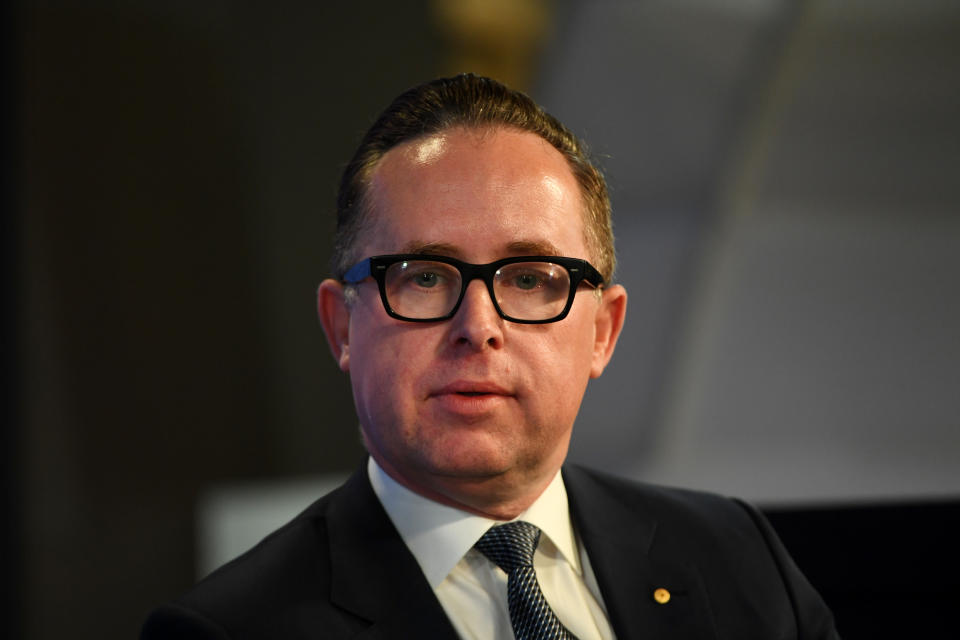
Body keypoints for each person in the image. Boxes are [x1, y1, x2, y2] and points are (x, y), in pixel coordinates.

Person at [142, 74, 839, 639]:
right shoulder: (225, 633)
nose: (478, 327)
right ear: (341, 327)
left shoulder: (740, 558)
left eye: (531, 279)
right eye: (422, 276)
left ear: (603, 331)